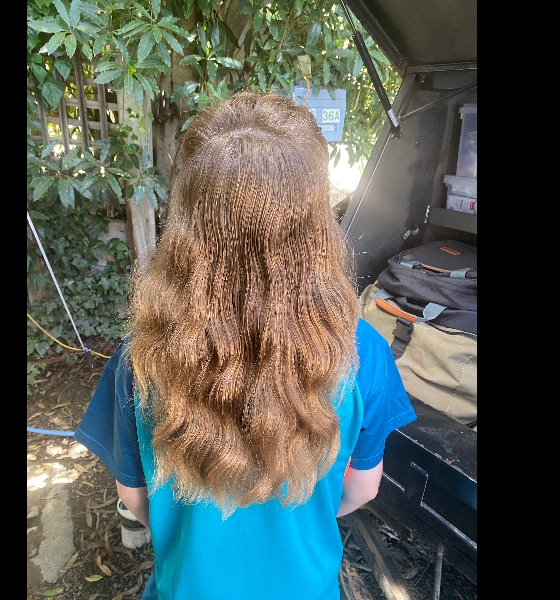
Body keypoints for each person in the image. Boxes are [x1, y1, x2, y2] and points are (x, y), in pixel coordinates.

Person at [74, 91, 416, 600]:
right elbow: (363, 489)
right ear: (316, 223)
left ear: (186, 220)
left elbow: (135, 498)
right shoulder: (364, 354)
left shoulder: (140, 358)